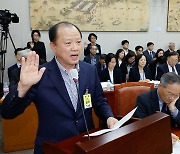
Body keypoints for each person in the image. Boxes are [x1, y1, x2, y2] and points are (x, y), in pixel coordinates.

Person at [1, 22, 118, 154]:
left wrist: (109, 117)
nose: (75, 48)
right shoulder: (40, 75)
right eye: (68, 43)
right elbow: (7, 113)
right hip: (53, 148)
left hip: (86, 145)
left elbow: (99, 100)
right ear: (53, 46)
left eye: (78, 42)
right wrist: (22, 87)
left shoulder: (89, 70)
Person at [134, 72, 180, 144]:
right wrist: (162, 135)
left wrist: (173, 109)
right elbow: (140, 126)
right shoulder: (144, 99)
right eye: (170, 94)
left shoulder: (177, 99)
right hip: (151, 140)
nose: (172, 98)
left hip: (174, 139)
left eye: (177, 95)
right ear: (160, 86)